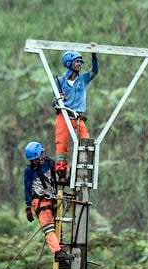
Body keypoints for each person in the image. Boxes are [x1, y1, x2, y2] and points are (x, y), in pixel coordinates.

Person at [23, 141, 71, 263]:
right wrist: (28, 206)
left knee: (56, 227)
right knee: (48, 227)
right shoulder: (29, 171)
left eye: (36, 159)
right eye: (32, 160)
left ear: (41, 154)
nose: (35, 162)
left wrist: (67, 178)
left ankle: (61, 254)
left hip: (53, 199)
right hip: (39, 201)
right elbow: (27, 188)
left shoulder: (50, 164)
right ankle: (58, 252)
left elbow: (60, 179)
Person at [54, 50, 99, 179]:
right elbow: (54, 101)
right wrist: (58, 99)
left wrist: (94, 56)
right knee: (62, 143)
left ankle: (81, 167)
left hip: (78, 117)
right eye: (77, 61)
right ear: (69, 63)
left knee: (85, 141)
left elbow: (94, 71)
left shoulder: (83, 79)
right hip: (64, 115)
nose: (80, 64)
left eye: (80, 61)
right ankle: (61, 170)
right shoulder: (60, 81)